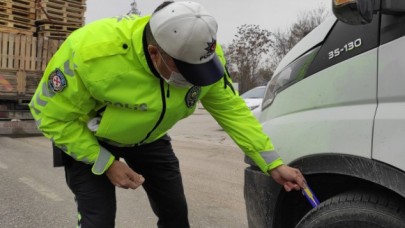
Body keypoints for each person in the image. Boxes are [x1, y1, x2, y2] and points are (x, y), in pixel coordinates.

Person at [29, 1, 306, 227]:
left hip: (150, 139)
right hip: (91, 139)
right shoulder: (89, 53)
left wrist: (272, 163)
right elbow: (49, 116)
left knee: (175, 216)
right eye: (187, 74)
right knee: (97, 220)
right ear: (155, 53)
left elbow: (233, 111)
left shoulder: (203, 53)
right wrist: (106, 162)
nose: (195, 81)